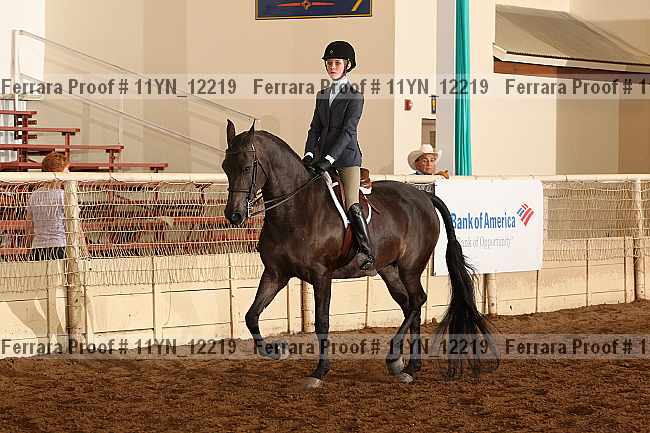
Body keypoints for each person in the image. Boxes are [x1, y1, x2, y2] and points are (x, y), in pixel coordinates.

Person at [302, 40, 374, 271]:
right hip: (320, 158)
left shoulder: (355, 96)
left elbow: (347, 132)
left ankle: (366, 253)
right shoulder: (322, 95)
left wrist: (329, 159)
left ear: (347, 65)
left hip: (345, 160)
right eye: (329, 63)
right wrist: (309, 153)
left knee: (351, 202)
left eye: (336, 63)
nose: (332, 67)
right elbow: (315, 128)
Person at [26, 152, 69, 261]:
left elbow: (29, 227)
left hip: (37, 249)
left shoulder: (34, 195)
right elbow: (74, 226)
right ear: (58, 172)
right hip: (60, 247)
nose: (69, 173)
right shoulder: (64, 196)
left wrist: (29, 250)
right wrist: (84, 251)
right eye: (66, 170)